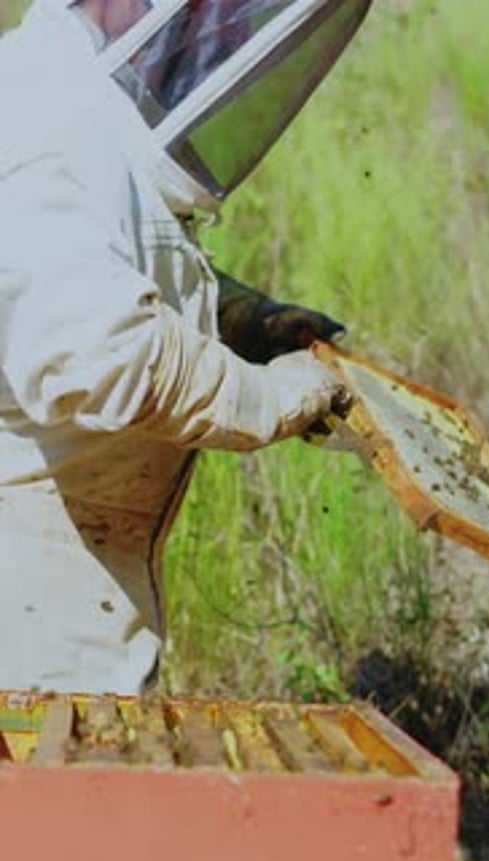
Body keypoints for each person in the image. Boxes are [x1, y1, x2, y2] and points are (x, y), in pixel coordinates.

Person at [0, 0, 372, 694]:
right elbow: (100, 353)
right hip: (17, 605)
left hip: (64, 575)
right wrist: (269, 397)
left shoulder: (71, 102)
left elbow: (109, 258)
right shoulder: (40, 125)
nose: (223, 38)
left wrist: (239, 316)